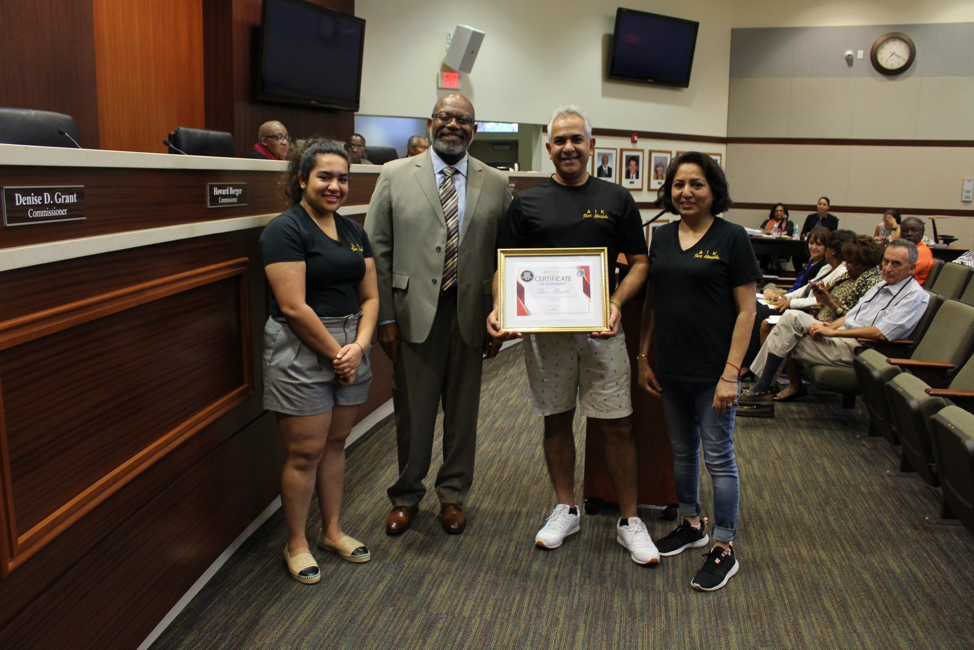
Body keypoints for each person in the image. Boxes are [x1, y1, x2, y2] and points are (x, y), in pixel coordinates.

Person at [486, 105, 652, 564]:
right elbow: (504, 267)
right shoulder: (527, 203)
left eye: (576, 139)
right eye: (559, 140)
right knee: (555, 420)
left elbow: (640, 264)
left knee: (617, 424)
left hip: (602, 332)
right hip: (547, 337)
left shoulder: (617, 199)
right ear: (549, 147)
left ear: (591, 145)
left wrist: (616, 305)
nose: (568, 147)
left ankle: (630, 520)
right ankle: (565, 507)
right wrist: (501, 307)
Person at [366, 94, 511, 536]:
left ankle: (453, 496)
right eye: (446, 117)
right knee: (414, 411)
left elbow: (504, 255)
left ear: (475, 128)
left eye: (463, 119)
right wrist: (386, 319)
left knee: (464, 413)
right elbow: (377, 251)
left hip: (471, 313)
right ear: (432, 122)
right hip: (412, 316)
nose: (453, 125)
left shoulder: (496, 182)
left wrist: (499, 316)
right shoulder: (393, 175)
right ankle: (407, 494)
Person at [636, 151, 760, 592]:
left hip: (714, 372)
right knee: (682, 452)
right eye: (678, 184)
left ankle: (724, 545)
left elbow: (748, 311)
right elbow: (653, 303)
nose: (685, 192)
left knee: (719, 458)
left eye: (696, 184)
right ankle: (692, 523)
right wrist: (644, 357)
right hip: (671, 367)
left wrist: (731, 374)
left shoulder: (732, 238)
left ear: (714, 191)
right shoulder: (662, 237)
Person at [260, 140, 378, 583]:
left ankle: (331, 531)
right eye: (325, 176)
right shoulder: (285, 229)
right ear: (302, 179)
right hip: (301, 346)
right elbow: (293, 307)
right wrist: (337, 354)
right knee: (305, 451)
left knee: (334, 444)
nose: (335, 186)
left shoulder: (352, 231)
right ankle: (297, 543)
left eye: (343, 178)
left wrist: (360, 348)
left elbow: (370, 296)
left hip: (350, 343)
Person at [742, 240, 929, 415]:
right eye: (886, 261)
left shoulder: (914, 296)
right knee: (791, 317)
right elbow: (852, 316)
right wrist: (829, 326)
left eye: (896, 264)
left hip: (861, 349)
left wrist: (832, 332)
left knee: (780, 337)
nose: (887, 268)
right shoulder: (881, 285)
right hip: (842, 335)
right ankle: (764, 388)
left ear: (912, 268)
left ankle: (762, 391)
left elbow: (881, 333)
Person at [900, 216, 934, 285]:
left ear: (922, 234)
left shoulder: (922, 251)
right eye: (906, 231)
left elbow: (902, 274)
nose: (909, 233)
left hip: (910, 291)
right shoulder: (904, 249)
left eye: (914, 230)